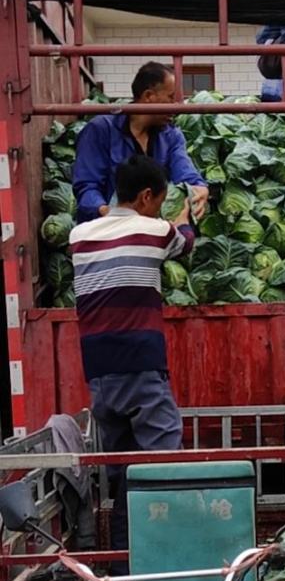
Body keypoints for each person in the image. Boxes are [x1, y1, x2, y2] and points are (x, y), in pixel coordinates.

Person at [69, 156, 194, 549]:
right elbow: (185, 241)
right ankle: (161, 561)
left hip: (98, 370)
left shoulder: (79, 235)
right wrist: (188, 213)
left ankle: (126, 565)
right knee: (162, 463)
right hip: (139, 364)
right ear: (145, 197)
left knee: (124, 471)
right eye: (159, 199)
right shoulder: (154, 230)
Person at [72, 62, 209, 224]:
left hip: (152, 232)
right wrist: (109, 213)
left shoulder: (171, 135)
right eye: (171, 97)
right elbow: (87, 186)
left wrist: (199, 187)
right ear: (148, 96)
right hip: (106, 231)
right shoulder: (101, 130)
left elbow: (184, 171)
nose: (176, 106)